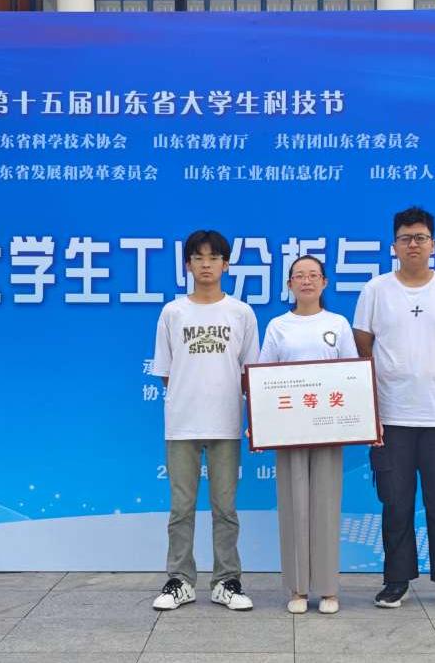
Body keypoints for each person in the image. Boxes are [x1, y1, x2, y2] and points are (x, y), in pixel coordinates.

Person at [352, 206, 435, 611]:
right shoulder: (376, 290)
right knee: (395, 501)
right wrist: (390, 379)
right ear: (394, 246)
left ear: (433, 244)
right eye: (406, 238)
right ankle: (396, 581)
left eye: (421, 238)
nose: (413, 244)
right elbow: (362, 343)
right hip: (391, 415)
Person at [150, 229, 258, 612]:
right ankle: (179, 581)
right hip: (182, 424)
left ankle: (226, 581)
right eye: (198, 258)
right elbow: (167, 372)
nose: (206, 265)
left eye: (214, 258)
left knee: (225, 509)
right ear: (188, 265)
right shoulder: (173, 312)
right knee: (181, 508)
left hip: (226, 422)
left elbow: (250, 373)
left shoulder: (241, 313)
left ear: (226, 264)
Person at [258, 255, 357, 615]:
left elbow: (352, 375)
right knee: (294, 504)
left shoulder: (338, 324)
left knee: (326, 504)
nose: (306, 281)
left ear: (324, 282)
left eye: (313, 275)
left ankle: (328, 589)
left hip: (329, 427)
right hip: (289, 429)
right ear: (289, 284)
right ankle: (297, 588)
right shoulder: (278, 326)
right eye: (299, 275)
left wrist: (360, 420)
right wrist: (261, 422)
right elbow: (263, 377)